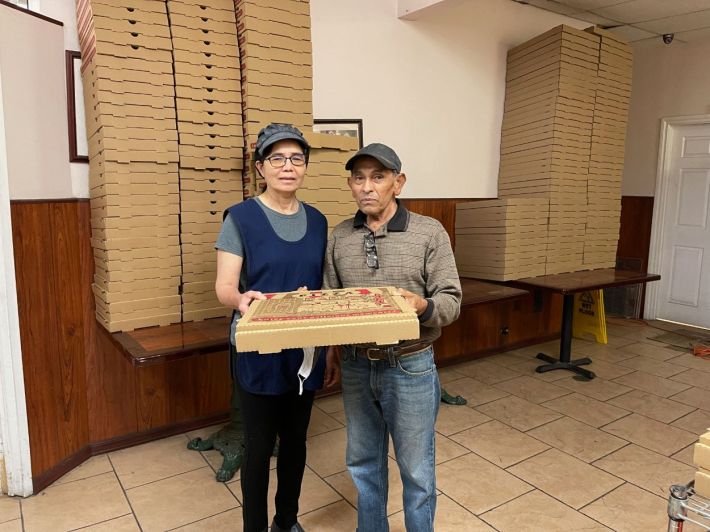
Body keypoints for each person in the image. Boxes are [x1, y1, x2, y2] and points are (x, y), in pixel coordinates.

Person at [323, 143, 462, 532]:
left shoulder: (428, 232)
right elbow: (332, 303)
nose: (367, 187)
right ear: (350, 185)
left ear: (398, 183)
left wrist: (422, 306)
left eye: (378, 177)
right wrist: (332, 351)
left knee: (416, 468)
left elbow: (451, 302)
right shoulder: (339, 237)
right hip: (354, 363)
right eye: (358, 178)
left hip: (411, 364)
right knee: (363, 462)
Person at [215, 123, 338, 532]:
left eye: (297, 158)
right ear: (260, 167)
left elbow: (321, 288)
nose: (288, 167)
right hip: (259, 348)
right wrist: (241, 299)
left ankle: (287, 521)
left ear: (305, 166)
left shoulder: (319, 222)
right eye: (277, 158)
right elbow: (225, 288)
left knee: (296, 441)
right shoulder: (241, 219)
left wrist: (328, 340)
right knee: (258, 446)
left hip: (304, 349)